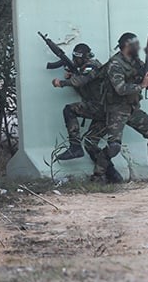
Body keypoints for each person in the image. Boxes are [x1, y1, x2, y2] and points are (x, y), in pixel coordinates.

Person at [100, 32, 148, 184]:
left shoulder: (134, 61)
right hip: (117, 109)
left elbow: (147, 71)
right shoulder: (115, 64)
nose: (138, 47)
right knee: (114, 147)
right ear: (126, 46)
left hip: (132, 108)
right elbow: (120, 89)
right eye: (135, 44)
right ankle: (98, 176)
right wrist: (142, 85)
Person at [51, 43, 124, 183]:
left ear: (84, 57)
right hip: (102, 111)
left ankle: (75, 146)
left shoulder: (92, 66)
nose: (75, 60)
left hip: (102, 108)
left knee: (69, 109)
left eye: (77, 58)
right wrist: (71, 76)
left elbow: (82, 80)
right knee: (90, 143)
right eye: (74, 58)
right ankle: (113, 175)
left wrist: (62, 83)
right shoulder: (84, 69)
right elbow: (84, 86)